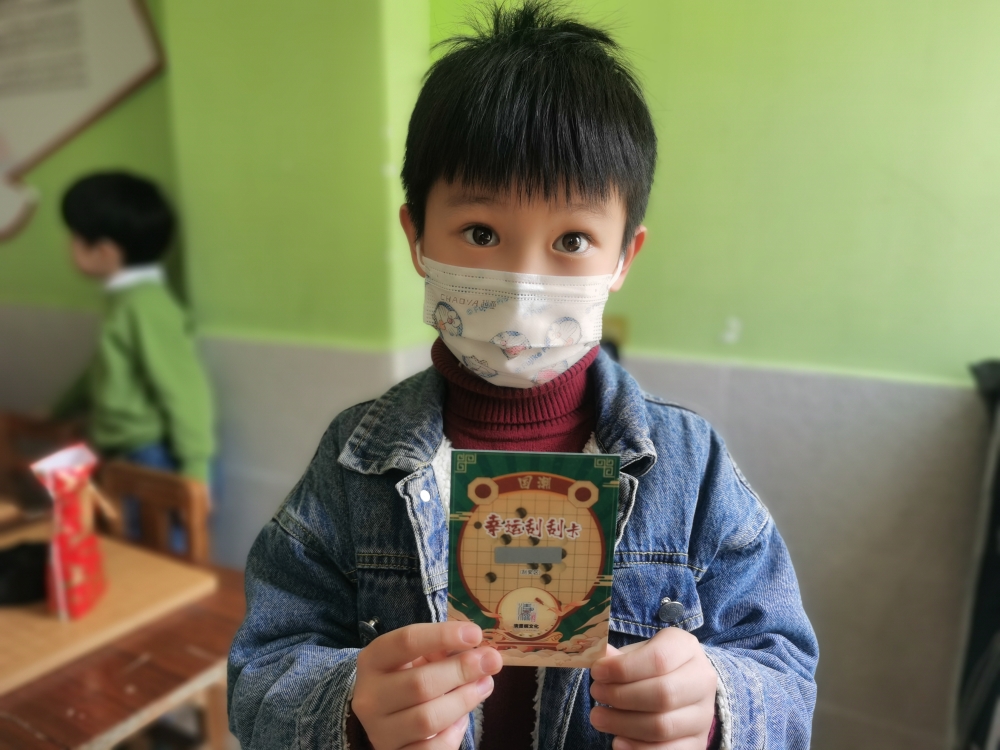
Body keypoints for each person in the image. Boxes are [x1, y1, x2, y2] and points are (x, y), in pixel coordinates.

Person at [227, 3, 818, 749]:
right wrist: (347, 709)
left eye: (572, 239)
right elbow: (260, 671)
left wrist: (715, 708)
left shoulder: (690, 465)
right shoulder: (355, 463)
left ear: (624, 258)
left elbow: (785, 667)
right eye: (481, 232)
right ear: (417, 236)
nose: (521, 283)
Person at [52, 172, 214, 513]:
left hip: (148, 456)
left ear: (104, 251)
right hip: (120, 449)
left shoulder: (146, 305)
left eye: (75, 237)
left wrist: (195, 470)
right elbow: (102, 367)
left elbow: (184, 389)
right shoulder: (125, 300)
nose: (69, 245)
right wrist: (59, 411)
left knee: (151, 543)